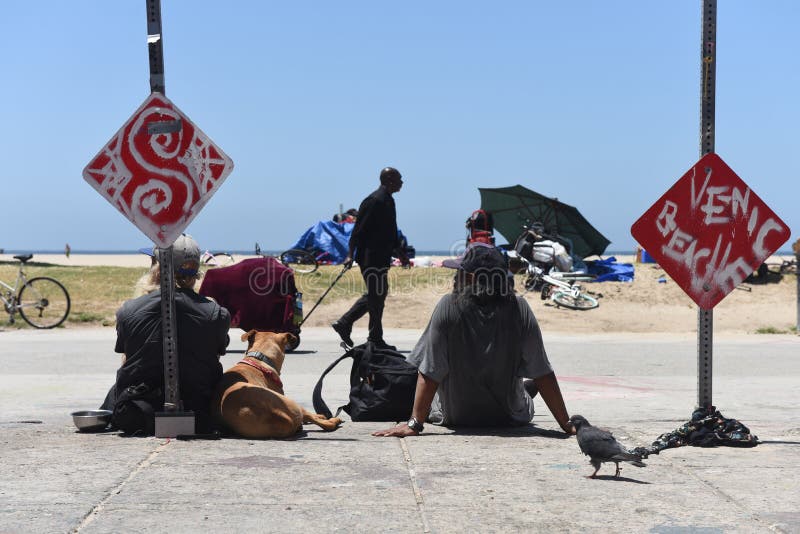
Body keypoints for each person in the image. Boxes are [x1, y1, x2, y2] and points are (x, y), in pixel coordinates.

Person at [372, 243, 575, 437]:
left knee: (431, 380)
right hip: (508, 416)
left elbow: (430, 371)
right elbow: (543, 373)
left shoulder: (447, 305)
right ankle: (522, 392)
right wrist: (568, 425)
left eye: (458, 273)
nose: (454, 278)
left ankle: (521, 391)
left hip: (455, 416)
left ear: (469, 277)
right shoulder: (519, 308)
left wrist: (414, 424)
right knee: (528, 390)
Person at [102, 234, 230, 433]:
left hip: (138, 415)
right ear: (195, 273)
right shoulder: (216, 313)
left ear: (156, 268)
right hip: (200, 414)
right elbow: (214, 356)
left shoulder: (128, 311)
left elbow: (126, 361)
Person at [331, 167, 409, 349]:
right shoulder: (374, 200)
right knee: (376, 296)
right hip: (369, 258)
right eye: (399, 178)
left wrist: (401, 253)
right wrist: (350, 255)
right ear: (389, 179)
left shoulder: (388, 200)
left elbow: (391, 232)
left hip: (381, 257)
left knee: (377, 295)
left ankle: (346, 323)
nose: (402, 182)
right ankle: (374, 338)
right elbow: (357, 231)